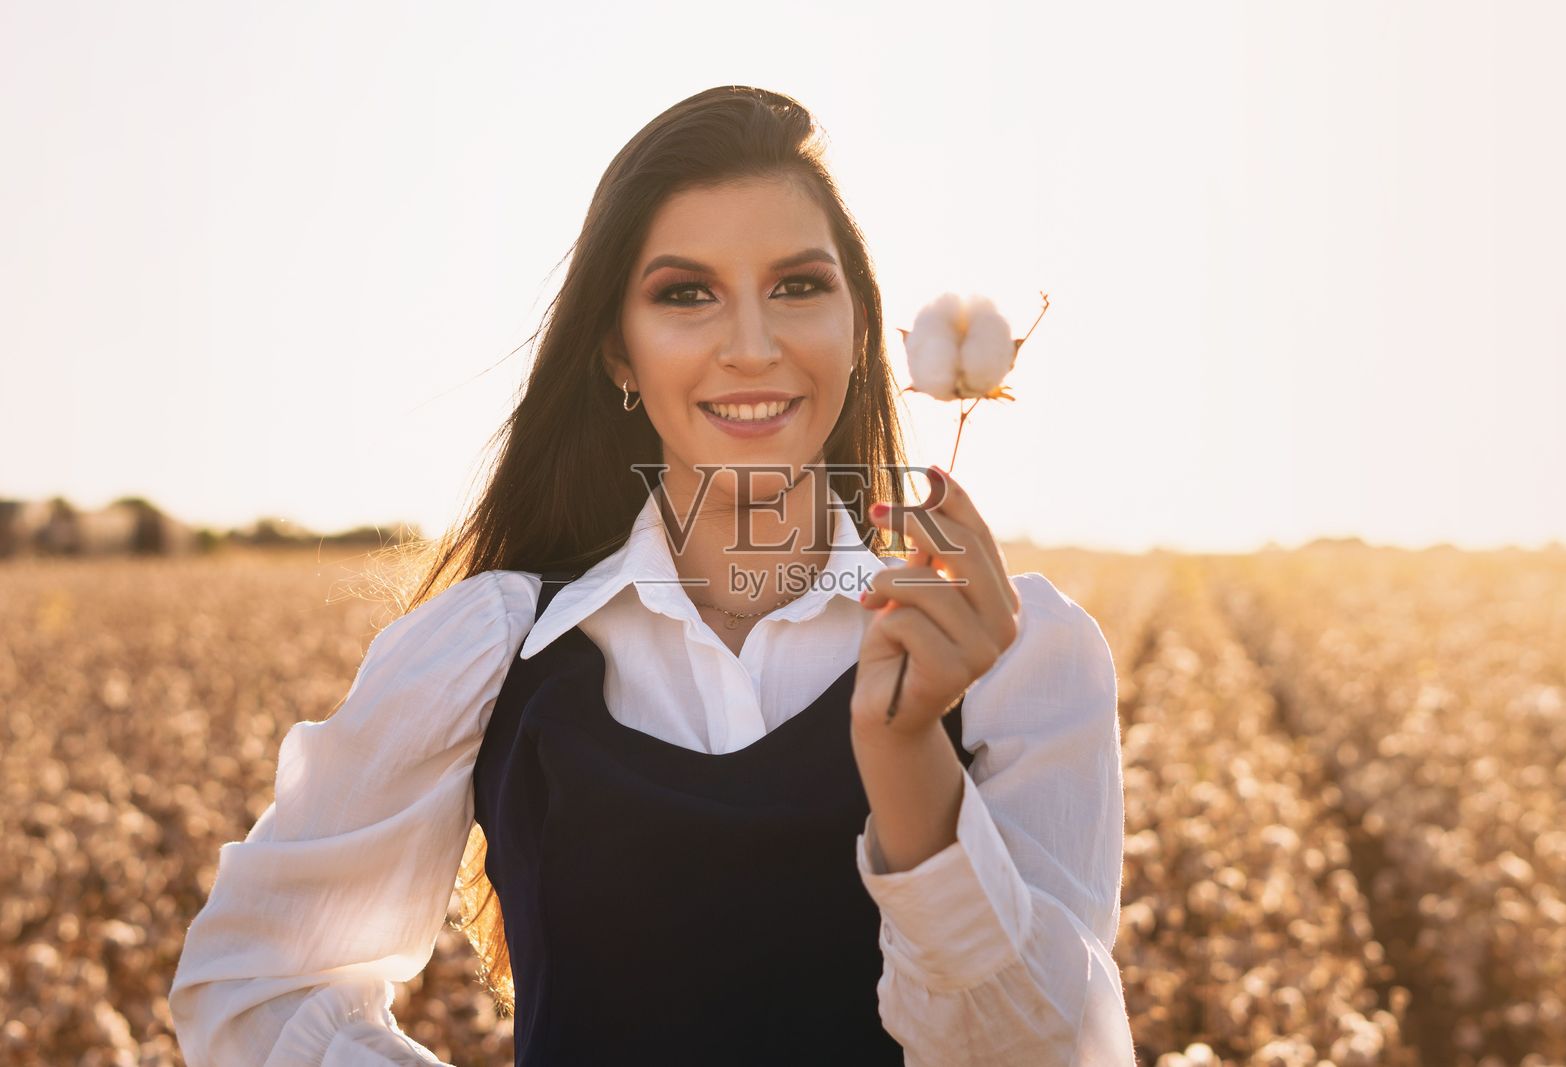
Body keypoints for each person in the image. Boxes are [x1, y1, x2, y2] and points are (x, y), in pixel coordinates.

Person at [168, 85, 1136, 1066]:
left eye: (798, 286)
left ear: (857, 328)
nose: (751, 345)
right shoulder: (494, 650)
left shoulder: (1019, 657)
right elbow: (254, 989)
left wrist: (906, 760)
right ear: (615, 350)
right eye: (685, 293)